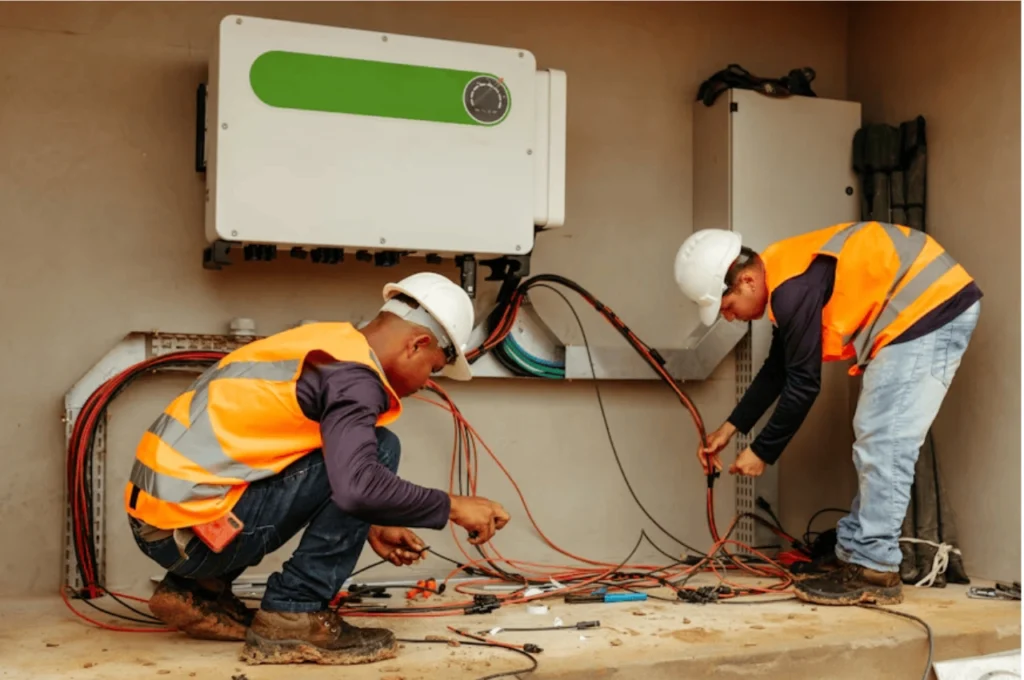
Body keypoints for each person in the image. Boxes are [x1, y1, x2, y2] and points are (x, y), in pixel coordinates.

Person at [124, 272, 511, 665]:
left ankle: (198, 590)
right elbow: (356, 486)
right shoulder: (355, 379)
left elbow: (287, 455)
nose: (428, 383)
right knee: (381, 447)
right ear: (418, 344)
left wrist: (372, 519)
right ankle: (296, 611)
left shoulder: (325, 346)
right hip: (195, 533)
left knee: (359, 465)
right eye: (435, 368)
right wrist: (453, 506)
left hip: (164, 524)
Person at [673, 221, 981, 606]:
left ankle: (875, 570)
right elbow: (779, 368)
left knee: (884, 439)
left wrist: (762, 452)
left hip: (930, 309)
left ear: (747, 282)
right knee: (875, 433)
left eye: (727, 307)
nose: (729, 317)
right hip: (915, 312)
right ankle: (854, 556)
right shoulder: (785, 275)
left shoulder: (792, 287)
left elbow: (804, 384)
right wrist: (731, 428)